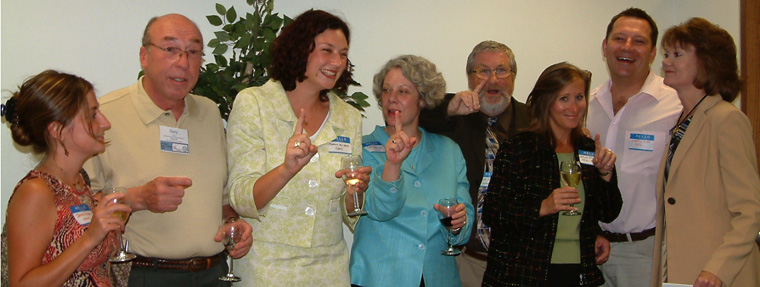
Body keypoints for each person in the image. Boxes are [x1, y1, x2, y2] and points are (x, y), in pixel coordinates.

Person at [83, 14, 253, 287]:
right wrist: (137, 198)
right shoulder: (104, 115)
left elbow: (222, 196)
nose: (183, 63)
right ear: (144, 56)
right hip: (144, 274)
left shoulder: (209, 112)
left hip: (213, 274)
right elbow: (77, 205)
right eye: (170, 49)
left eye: (193, 52)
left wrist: (233, 221)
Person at [225, 9, 371, 286]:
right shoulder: (255, 103)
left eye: (343, 53)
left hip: (329, 270)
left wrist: (356, 192)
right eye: (327, 50)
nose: (337, 62)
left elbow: (351, 213)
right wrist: (286, 169)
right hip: (266, 268)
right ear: (299, 49)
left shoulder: (348, 117)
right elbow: (242, 199)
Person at [482, 62, 623, 287]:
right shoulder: (519, 147)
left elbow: (608, 212)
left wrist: (606, 174)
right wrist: (542, 207)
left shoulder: (588, 149)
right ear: (546, 102)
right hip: (522, 273)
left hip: (578, 271)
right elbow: (493, 212)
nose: (574, 107)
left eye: (579, 97)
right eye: (564, 98)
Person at [651, 17, 760, 287]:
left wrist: (718, 270)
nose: (665, 62)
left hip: (717, 275)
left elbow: (749, 211)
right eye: (666, 54)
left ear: (707, 62)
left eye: (677, 54)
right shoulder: (682, 122)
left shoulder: (726, 119)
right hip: (680, 272)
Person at [349, 55, 474, 287]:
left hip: (440, 278)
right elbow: (379, 210)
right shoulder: (362, 149)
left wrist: (459, 222)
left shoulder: (449, 150)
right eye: (386, 91)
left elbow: (464, 222)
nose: (391, 99)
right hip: (380, 278)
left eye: (403, 92)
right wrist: (393, 164)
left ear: (423, 100)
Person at [1, 70, 130, 286]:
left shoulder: (80, 182)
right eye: (92, 115)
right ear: (58, 130)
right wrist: (90, 238)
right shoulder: (36, 192)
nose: (105, 123)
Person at [418, 40, 529, 286]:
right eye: (483, 71)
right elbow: (416, 113)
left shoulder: (532, 121)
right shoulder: (453, 114)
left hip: (520, 261)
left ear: (513, 77)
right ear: (470, 78)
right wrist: (450, 110)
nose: (493, 80)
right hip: (467, 260)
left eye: (501, 70)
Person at [586, 8, 682, 287]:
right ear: (605, 47)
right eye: (619, 38)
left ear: (653, 53)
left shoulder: (675, 105)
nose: (627, 47)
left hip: (646, 253)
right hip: (590, 247)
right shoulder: (584, 104)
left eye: (639, 41)